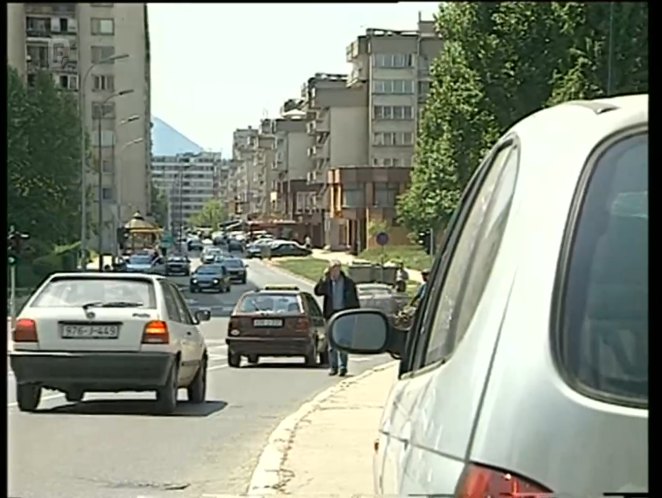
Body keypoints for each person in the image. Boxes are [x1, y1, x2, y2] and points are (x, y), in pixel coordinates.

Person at [314, 259, 360, 377]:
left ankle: (343, 367)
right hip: (331, 315)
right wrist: (323, 279)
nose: (335, 272)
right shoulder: (327, 283)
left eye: (337, 269)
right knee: (331, 344)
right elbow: (318, 292)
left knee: (343, 342)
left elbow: (354, 300)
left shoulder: (348, 283)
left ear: (340, 270)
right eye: (332, 270)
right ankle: (333, 367)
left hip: (344, 314)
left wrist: (355, 315)